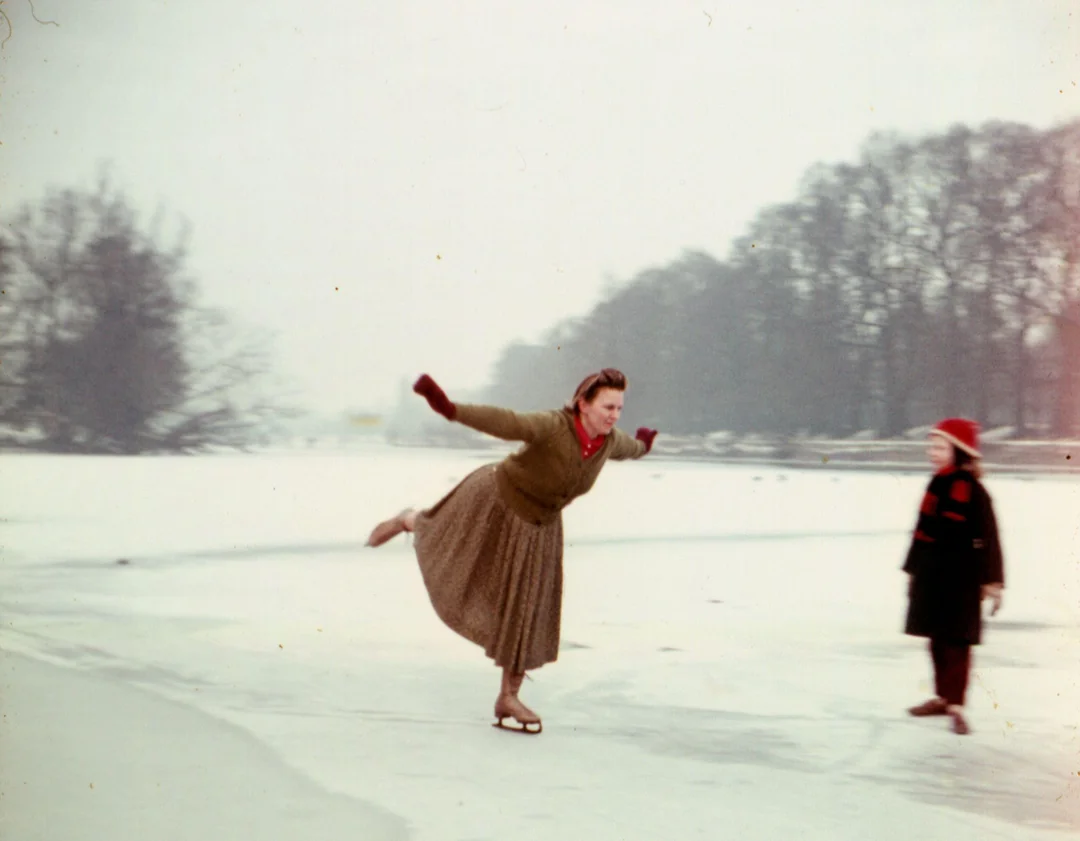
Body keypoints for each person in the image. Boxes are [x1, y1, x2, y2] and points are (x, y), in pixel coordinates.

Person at [365, 368, 658, 734]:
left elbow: (630, 448)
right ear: (583, 404)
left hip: (540, 527)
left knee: (527, 608)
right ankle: (409, 520)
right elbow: (508, 422)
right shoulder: (553, 426)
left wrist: (645, 445)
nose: (614, 415)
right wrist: (450, 408)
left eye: (619, 408)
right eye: (608, 406)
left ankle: (508, 696)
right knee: (445, 539)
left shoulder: (609, 442)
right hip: (496, 499)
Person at [902, 418, 1005, 735]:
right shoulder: (936, 484)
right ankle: (943, 697)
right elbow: (923, 531)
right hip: (932, 574)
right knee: (935, 639)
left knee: (956, 641)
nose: (932, 452)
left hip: (962, 577)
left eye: (939, 447)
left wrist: (993, 581)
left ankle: (957, 704)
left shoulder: (974, 490)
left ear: (959, 450)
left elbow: (989, 537)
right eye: (931, 446)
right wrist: (912, 569)